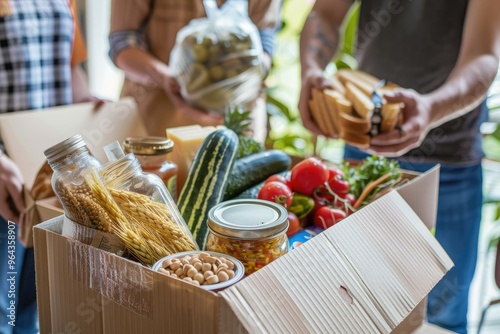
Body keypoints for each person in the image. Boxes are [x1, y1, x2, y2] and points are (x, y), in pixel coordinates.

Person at [298, 0, 499, 333]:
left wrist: (431, 109)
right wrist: (310, 72)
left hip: (450, 163)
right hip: (364, 150)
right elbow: (326, 12)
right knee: (352, 299)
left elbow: (484, 54)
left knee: (443, 314)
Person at [0, 1, 94, 333]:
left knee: (31, 301)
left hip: (45, 179)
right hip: (4, 174)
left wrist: (89, 102)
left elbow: (69, 66)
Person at [108, 0, 282, 141]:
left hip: (238, 124)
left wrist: (248, 80)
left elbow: (265, 35)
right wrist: (165, 78)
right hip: (156, 128)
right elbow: (122, 43)